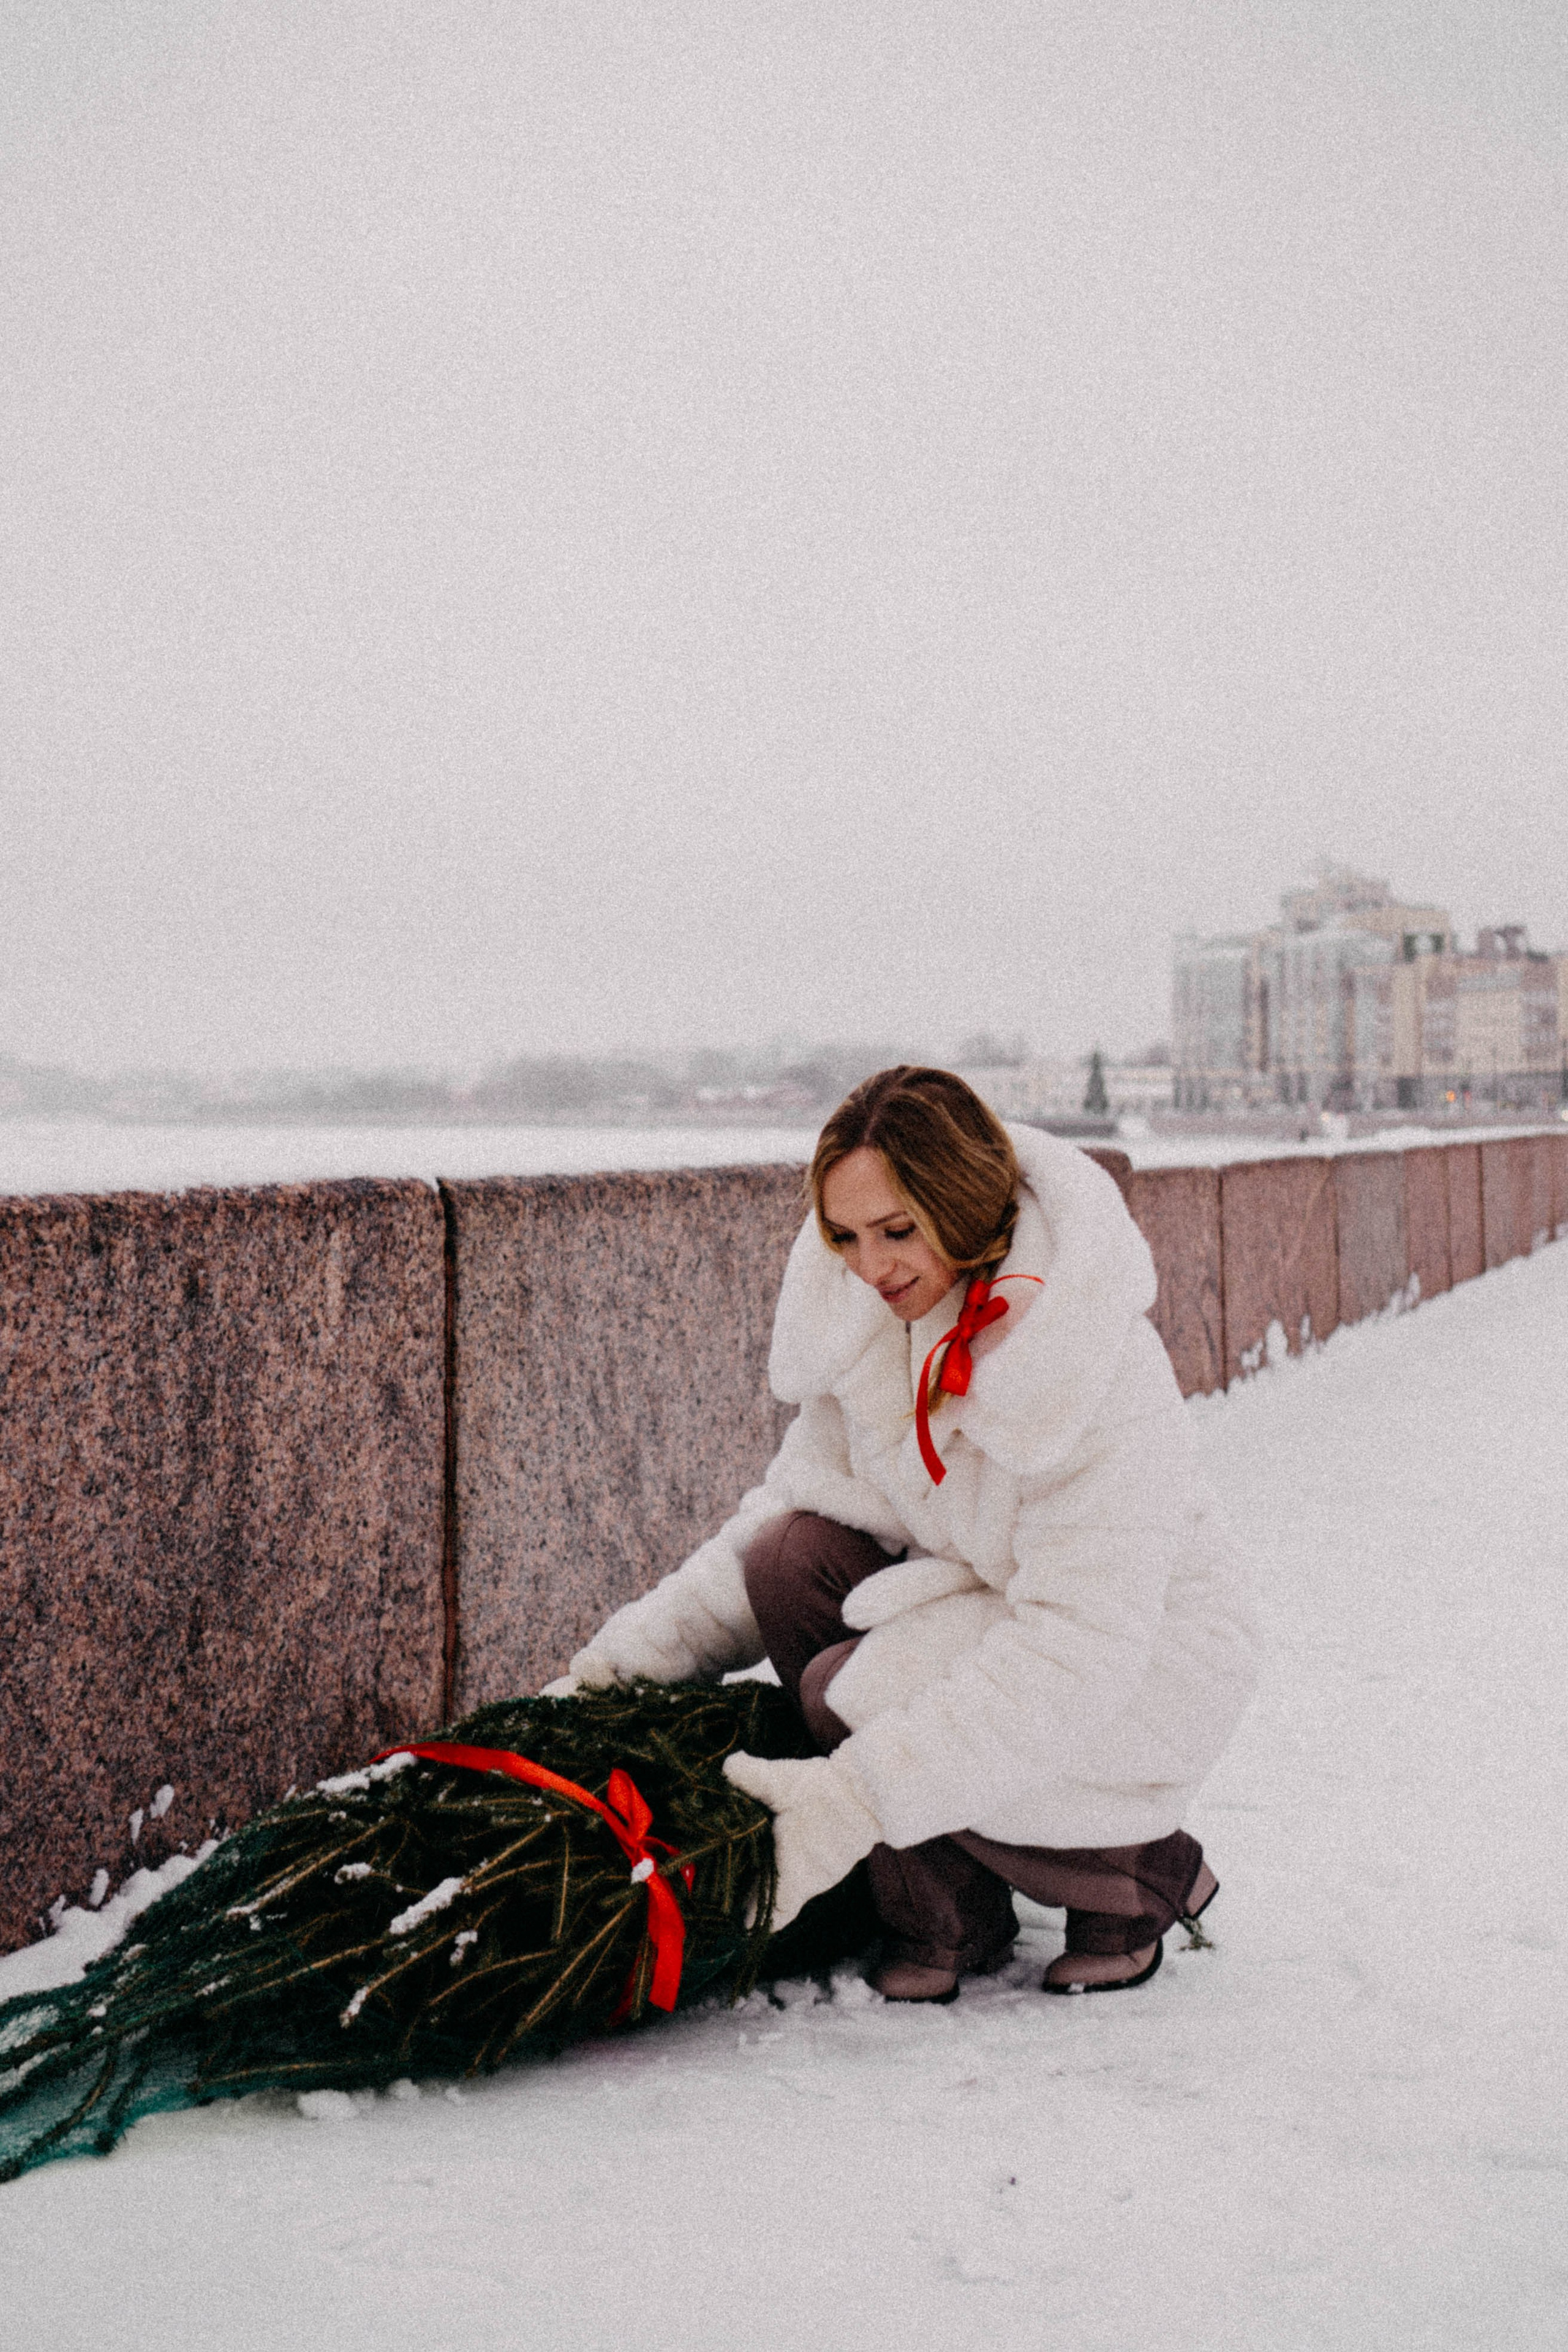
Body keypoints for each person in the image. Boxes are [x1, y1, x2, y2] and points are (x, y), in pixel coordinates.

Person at [564, 1066, 1260, 2001]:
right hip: (989, 1601)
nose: (872, 1266)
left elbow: (1080, 1646)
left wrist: (849, 1800)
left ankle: (1136, 1870)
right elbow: (782, 1511)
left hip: (1147, 1657)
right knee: (789, 1560)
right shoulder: (877, 1322)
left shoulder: (1090, 1359)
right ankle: (948, 1913)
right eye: (846, 1237)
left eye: (898, 1232)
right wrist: (611, 1674)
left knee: (846, 1690)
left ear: (963, 1203)